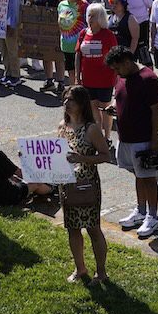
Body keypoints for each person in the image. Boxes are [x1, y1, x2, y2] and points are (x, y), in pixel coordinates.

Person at [107, 46, 158, 239]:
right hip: (125, 138)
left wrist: (155, 140)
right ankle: (140, 211)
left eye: (117, 68)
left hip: (143, 140)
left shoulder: (149, 80)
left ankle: (153, 217)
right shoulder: (122, 77)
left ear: (127, 62)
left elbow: (156, 112)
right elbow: (120, 97)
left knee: (148, 178)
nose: (115, 72)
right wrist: (113, 106)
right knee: (138, 176)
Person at [60, 86, 115, 283]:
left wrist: (81, 158)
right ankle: (80, 269)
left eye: (71, 100)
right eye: (65, 99)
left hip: (87, 184)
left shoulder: (91, 129)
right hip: (67, 184)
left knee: (92, 228)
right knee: (72, 228)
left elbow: (105, 156)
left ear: (82, 104)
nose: (66, 103)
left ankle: (101, 272)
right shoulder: (62, 127)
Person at [0, 119, 53, 206]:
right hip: (5, 196)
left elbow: (9, 174)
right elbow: (19, 173)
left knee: (16, 180)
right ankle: (52, 189)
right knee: (35, 183)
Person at [77, 2, 118, 138]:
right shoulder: (83, 33)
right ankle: (99, 137)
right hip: (88, 79)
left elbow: (114, 57)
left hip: (105, 80)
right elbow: (78, 55)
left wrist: (117, 77)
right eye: (89, 15)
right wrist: (78, 76)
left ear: (100, 18)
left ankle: (107, 137)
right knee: (93, 110)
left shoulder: (108, 35)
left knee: (106, 110)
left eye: (93, 16)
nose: (90, 19)